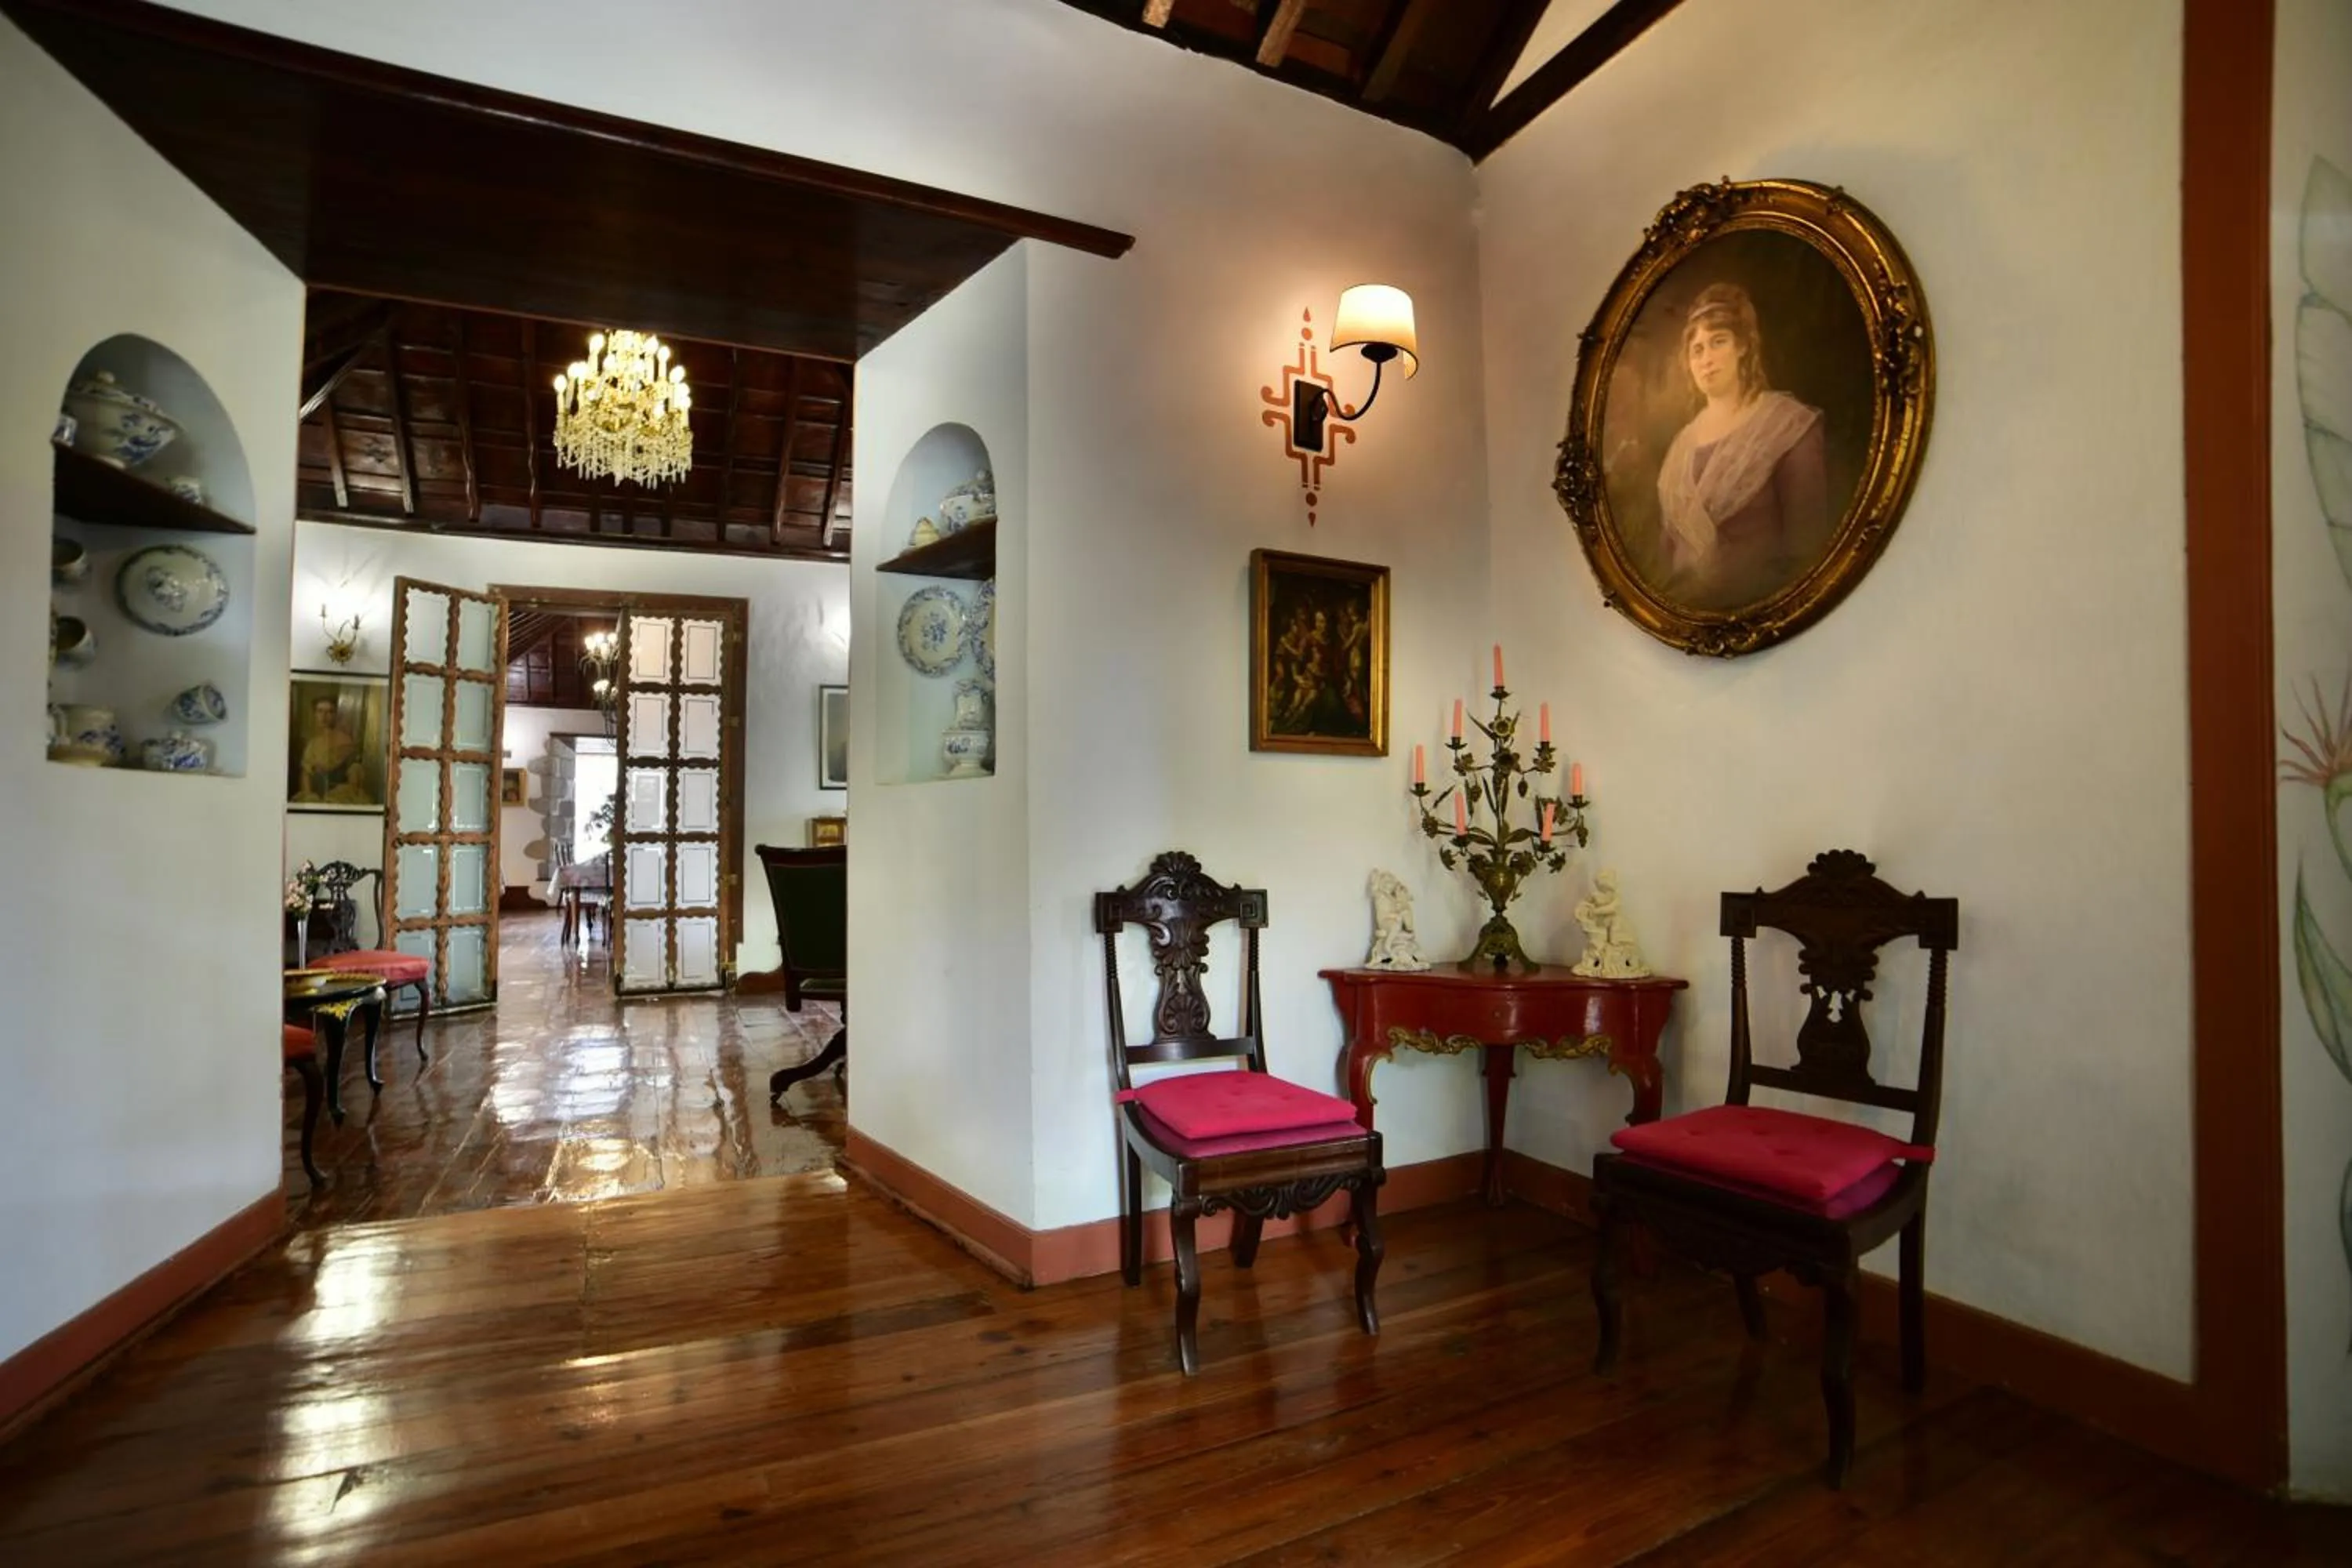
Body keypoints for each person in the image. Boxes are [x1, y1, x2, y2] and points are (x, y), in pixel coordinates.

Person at [1653, 281, 1830, 606]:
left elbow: (1808, 544)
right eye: (1698, 350)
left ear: (1743, 347)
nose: (1707, 359)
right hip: (1689, 620)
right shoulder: (1680, 447)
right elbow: (1669, 554)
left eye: (1718, 342)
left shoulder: (1787, 425)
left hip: (1766, 610)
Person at [298, 695, 358, 801]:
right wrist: (309, 796)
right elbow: (306, 774)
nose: (324, 716)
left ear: (335, 715)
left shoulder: (345, 740)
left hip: (340, 797)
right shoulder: (312, 744)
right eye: (320, 711)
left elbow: (354, 774)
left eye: (329, 712)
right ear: (315, 714)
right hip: (315, 797)